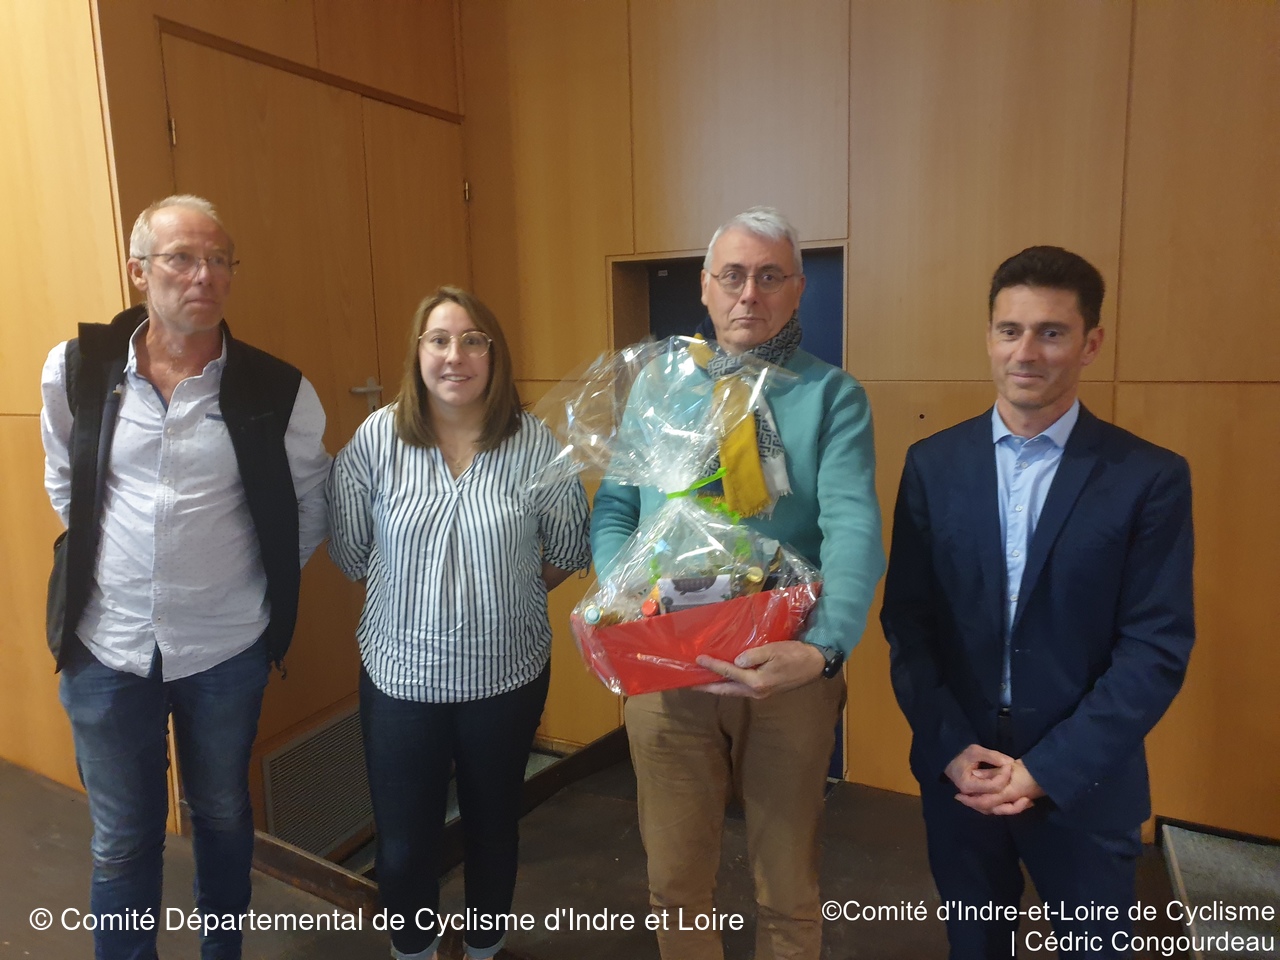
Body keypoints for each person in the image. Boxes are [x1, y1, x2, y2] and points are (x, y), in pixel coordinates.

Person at [881, 245, 1195, 958]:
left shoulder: (1148, 477)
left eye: (1051, 332)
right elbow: (909, 623)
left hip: (1084, 782)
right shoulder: (932, 465)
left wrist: (1046, 769)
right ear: (989, 337)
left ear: (1091, 344)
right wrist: (949, 746)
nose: (1026, 352)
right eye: (1010, 330)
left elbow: (1155, 647)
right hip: (961, 775)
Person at [40, 194, 332, 960]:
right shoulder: (76, 368)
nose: (204, 275)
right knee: (122, 837)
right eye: (182, 259)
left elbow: (308, 505)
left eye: (219, 260)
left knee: (223, 814)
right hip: (106, 645)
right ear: (139, 271)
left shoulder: (278, 388)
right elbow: (67, 482)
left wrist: (249, 590)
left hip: (225, 649)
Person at [591, 207, 885, 960]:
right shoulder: (659, 387)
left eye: (769, 276)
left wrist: (823, 649)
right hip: (664, 665)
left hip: (784, 670)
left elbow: (853, 531)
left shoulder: (831, 396)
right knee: (675, 882)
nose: (749, 292)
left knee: (788, 887)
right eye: (732, 275)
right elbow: (616, 509)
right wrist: (616, 599)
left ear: (797, 288)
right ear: (705, 286)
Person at [327, 286, 590, 960]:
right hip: (401, 679)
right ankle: (412, 950)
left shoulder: (533, 444)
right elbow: (352, 551)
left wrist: (505, 591)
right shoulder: (377, 439)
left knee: (493, 828)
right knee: (403, 842)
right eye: (439, 340)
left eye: (473, 340)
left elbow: (568, 547)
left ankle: (483, 948)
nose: (455, 355)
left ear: (493, 355)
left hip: (506, 678)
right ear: (417, 354)